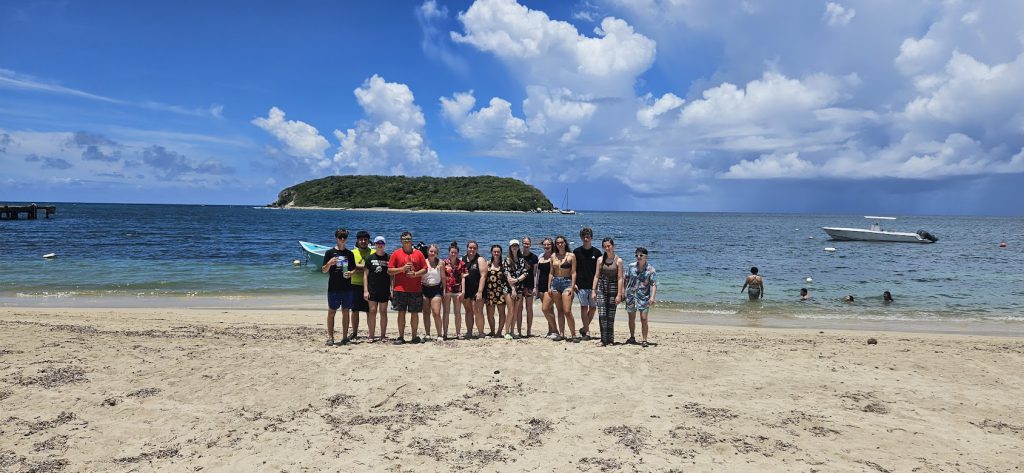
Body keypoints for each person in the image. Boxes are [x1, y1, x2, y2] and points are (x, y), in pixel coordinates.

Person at [388, 231, 427, 344]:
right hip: (400, 289)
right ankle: (401, 337)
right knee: (401, 313)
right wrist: (402, 269)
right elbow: (389, 270)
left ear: (412, 240)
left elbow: (425, 269)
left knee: (414, 313)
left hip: (415, 289)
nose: (407, 241)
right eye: (405, 239)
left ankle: (414, 336)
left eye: (409, 239)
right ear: (401, 241)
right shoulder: (396, 253)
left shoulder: (419, 253)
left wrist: (415, 274)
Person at [322, 229, 356, 346]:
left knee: (346, 312)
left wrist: (351, 273)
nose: (342, 239)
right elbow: (324, 270)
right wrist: (329, 263)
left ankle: (345, 337)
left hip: (347, 287)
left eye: (344, 237)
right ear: (336, 238)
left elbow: (354, 268)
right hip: (334, 288)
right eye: (340, 237)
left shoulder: (349, 254)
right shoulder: (329, 252)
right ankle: (330, 337)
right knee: (332, 311)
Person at [591, 237, 624, 346]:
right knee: (602, 313)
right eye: (605, 246)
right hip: (602, 286)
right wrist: (593, 291)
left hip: (614, 287)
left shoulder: (618, 260)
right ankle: (603, 339)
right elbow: (596, 276)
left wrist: (619, 294)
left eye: (609, 246)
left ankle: (610, 340)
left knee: (611, 314)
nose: (607, 248)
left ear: (613, 246)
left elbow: (620, 278)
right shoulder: (600, 260)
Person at [624, 247, 657, 348]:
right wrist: (623, 292)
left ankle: (644, 340)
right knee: (631, 318)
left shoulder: (651, 269)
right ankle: (632, 337)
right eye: (637, 255)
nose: (638, 257)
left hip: (643, 297)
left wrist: (652, 297)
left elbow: (654, 284)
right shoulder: (631, 266)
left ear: (646, 256)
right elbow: (626, 279)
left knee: (644, 319)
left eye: (641, 255)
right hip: (631, 296)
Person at [573, 227, 602, 340]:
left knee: (593, 308)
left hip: (594, 285)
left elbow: (599, 270)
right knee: (584, 308)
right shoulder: (576, 252)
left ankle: (584, 328)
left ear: (591, 238)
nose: (586, 239)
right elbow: (573, 269)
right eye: (584, 237)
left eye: (588, 237)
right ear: (581, 238)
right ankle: (587, 332)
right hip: (581, 285)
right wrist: (574, 283)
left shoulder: (597, 252)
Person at [549, 235, 579, 342]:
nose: (560, 244)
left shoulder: (571, 256)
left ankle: (573, 334)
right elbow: (551, 272)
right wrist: (549, 287)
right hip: (555, 283)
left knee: (567, 311)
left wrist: (572, 286)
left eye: (561, 242)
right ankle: (561, 334)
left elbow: (574, 272)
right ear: (555, 245)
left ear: (565, 243)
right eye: (557, 243)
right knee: (559, 310)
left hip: (567, 283)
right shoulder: (553, 256)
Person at [363, 236, 391, 343]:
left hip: (384, 289)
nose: (380, 245)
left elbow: (392, 276)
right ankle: (371, 335)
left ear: (384, 245)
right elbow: (365, 275)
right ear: (374, 244)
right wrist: (365, 290)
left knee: (383, 312)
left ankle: (383, 335)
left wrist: (392, 289)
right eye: (378, 243)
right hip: (372, 289)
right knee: (372, 311)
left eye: (382, 243)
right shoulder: (370, 258)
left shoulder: (388, 257)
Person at [350, 230, 372, 340]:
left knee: (369, 310)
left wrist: (357, 267)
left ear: (368, 241)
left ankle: (370, 333)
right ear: (357, 241)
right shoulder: (352, 253)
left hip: (369, 285)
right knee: (354, 310)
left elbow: (373, 268)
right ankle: (354, 332)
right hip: (355, 284)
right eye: (361, 239)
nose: (363, 241)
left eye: (365, 239)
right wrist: (364, 267)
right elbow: (350, 266)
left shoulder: (373, 252)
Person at [503, 239, 527, 340]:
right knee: (511, 310)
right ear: (510, 247)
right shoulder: (507, 259)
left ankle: (512, 331)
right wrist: (513, 288)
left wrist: (517, 280)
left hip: (519, 287)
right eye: (513, 246)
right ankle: (507, 331)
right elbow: (507, 275)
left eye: (516, 246)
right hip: (508, 288)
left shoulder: (521, 259)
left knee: (516, 311)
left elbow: (525, 273)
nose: (514, 247)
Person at [462, 241, 487, 339]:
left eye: (474, 248)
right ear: (467, 248)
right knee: (468, 311)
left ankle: (481, 332)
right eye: (470, 248)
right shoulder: (462, 259)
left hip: (478, 290)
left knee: (478, 311)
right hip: (467, 290)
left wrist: (480, 291)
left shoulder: (480, 259)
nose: (472, 250)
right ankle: (469, 332)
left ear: (477, 249)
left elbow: (483, 276)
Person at [442, 242, 467, 339]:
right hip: (447, 289)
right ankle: (445, 333)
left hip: (457, 289)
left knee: (457, 312)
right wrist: (443, 290)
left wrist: (463, 291)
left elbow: (463, 278)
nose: (453, 254)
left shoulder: (462, 263)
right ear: (449, 252)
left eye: (455, 252)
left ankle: (458, 333)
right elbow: (443, 277)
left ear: (458, 253)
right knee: (446, 312)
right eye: (452, 252)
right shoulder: (444, 263)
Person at [421, 244, 445, 341]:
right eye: (431, 251)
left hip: (436, 288)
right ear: (428, 251)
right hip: (425, 288)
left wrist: (444, 290)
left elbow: (443, 277)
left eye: (435, 252)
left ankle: (440, 334)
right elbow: (419, 276)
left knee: (436, 312)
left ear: (437, 253)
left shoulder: (440, 263)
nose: (433, 253)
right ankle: (427, 334)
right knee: (426, 312)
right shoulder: (423, 262)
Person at [483, 244, 508, 337]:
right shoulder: (487, 263)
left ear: (501, 252)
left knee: (502, 313)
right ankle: (492, 331)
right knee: (490, 314)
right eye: (494, 251)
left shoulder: (504, 264)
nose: (496, 253)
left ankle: (499, 332)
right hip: (490, 292)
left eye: (498, 251)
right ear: (491, 252)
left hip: (501, 292)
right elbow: (483, 277)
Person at [536, 237, 558, 338]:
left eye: (548, 244)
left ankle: (555, 330)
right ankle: (551, 331)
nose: (546, 246)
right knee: (550, 309)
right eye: (544, 245)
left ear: (552, 245)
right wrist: (535, 286)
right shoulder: (541, 256)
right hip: (540, 285)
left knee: (545, 309)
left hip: (551, 286)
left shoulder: (555, 256)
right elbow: (537, 273)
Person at [520, 236, 539, 337]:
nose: (526, 245)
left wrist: (535, 287)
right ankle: (518, 330)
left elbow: (535, 273)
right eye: (524, 243)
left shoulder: (534, 257)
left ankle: (528, 330)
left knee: (529, 308)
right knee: (518, 309)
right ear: (522, 244)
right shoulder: (518, 256)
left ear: (530, 245)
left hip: (530, 285)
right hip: (519, 285)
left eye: (528, 244)